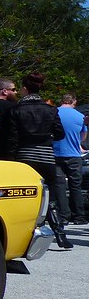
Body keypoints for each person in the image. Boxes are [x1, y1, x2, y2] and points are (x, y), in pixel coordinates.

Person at [8, 72, 70, 249]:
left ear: (25, 89)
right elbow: (60, 134)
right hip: (46, 156)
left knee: (25, 196)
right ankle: (60, 235)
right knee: (50, 197)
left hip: (25, 157)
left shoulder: (16, 110)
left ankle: (24, 235)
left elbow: (12, 139)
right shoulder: (50, 110)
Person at [53, 93, 86, 227]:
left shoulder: (53, 113)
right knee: (75, 186)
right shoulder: (80, 116)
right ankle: (79, 216)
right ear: (74, 101)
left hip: (56, 153)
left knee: (59, 185)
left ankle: (63, 216)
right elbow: (83, 137)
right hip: (74, 155)